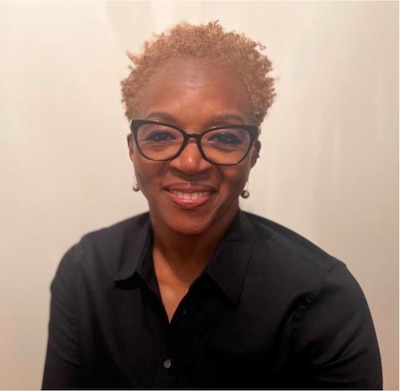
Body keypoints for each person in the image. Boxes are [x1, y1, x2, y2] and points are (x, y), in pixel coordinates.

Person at [42, 21, 382, 389]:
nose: (190, 163)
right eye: (160, 135)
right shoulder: (85, 272)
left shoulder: (321, 300)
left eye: (223, 137)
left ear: (253, 153)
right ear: (132, 149)